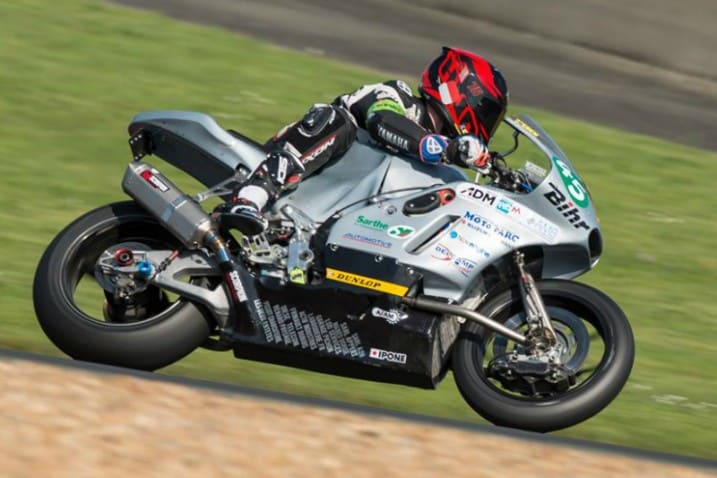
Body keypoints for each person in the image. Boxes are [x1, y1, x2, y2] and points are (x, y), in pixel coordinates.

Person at [216, 46, 509, 235]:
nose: (487, 124)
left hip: (338, 221)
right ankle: (251, 196)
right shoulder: (394, 95)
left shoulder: (445, 168)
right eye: (487, 113)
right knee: (336, 120)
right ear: (460, 93)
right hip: (299, 168)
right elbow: (382, 120)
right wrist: (445, 147)